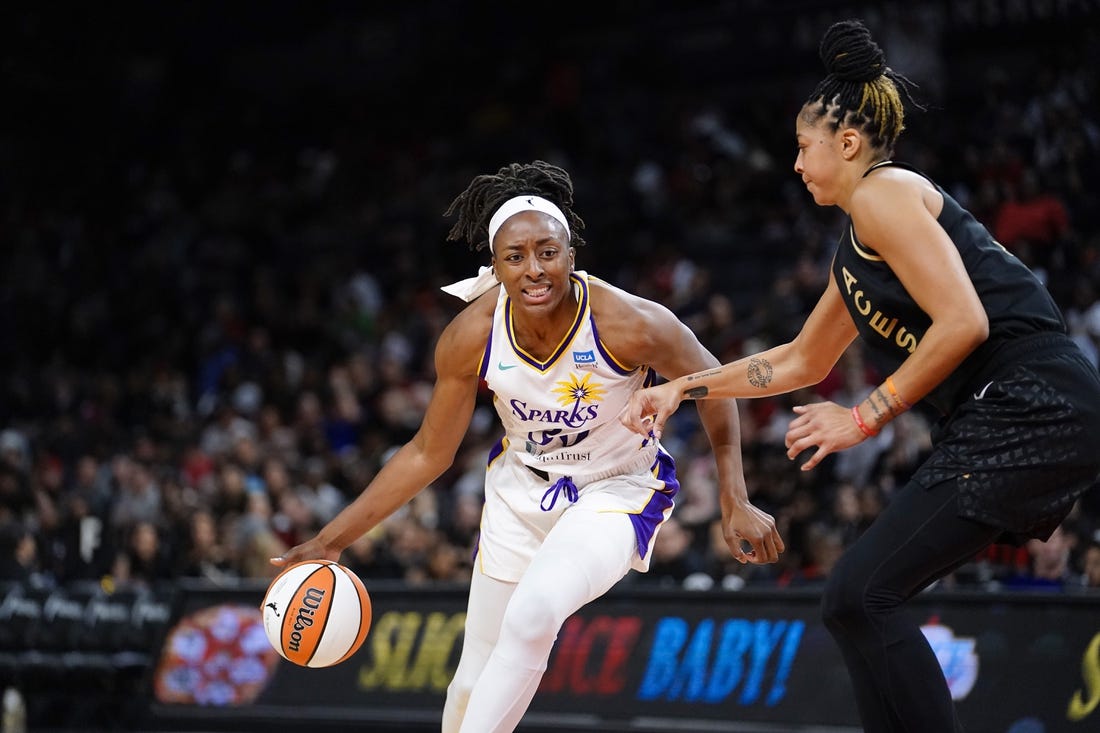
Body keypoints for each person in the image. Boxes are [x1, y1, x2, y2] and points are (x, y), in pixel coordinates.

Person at [622, 19, 1100, 733]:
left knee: (859, 593)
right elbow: (798, 361)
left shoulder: (884, 192)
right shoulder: (858, 245)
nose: (795, 164)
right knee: (856, 599)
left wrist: (864, 414)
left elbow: (963, 321)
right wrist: (679, 388)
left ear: (847, 144)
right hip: (1011, 410)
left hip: (1031, 399)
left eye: (803, 146)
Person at [273, 160, 784, 732]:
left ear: (571, 255)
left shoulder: (629, 322)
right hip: (520, 493)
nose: (534, 269)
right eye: (515, 257)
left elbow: (716, 385)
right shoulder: (471, 336)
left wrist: (733, 496)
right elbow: (427, 453)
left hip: (616, 490)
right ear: (495, 265)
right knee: (471, 680)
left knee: (534, 616)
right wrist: (329, 539)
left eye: (548, 252)